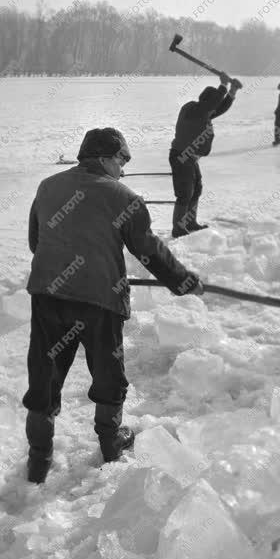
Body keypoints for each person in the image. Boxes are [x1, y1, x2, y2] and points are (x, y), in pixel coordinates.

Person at [24, 128, 202, 483]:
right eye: (122, 159)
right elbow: (148, 251)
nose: (123, 168)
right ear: (105, 158)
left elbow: (35, 241)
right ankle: (111, 442)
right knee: (108, 374)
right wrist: (183, 280)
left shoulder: (47, 186)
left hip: (47, 296)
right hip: (99, 302)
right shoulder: (125, 199)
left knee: (44, 379)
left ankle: (38, 460)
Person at [170, 73, 240, 237]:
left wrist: (232, 91)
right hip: (181, 157)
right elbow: (212, 105)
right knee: (185, 193)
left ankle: (190, 222)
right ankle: (178, 229)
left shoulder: (203, 113)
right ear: (207, 101)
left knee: (196, 189)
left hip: (191, 158)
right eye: (211, 106)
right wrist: (223, 85)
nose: (213, 112)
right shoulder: (193, 109)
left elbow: (220, 108)